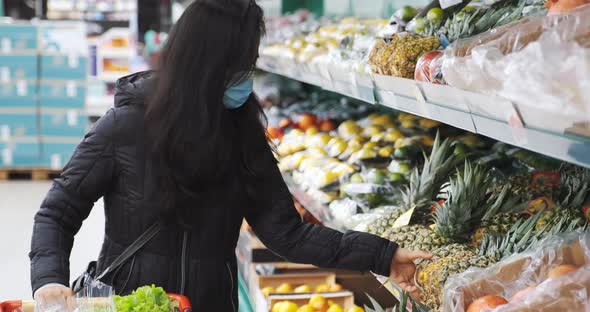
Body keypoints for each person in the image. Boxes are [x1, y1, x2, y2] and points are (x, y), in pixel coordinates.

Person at [29, 0, 431, 310]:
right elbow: (58, 211)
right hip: (135, 302)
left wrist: (384, 255)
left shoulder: (243, 136)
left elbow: (287, 234)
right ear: (206, 65)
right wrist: (49, 279)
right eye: (241, 65)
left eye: (250, 63)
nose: (247, 77)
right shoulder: (125, 127)